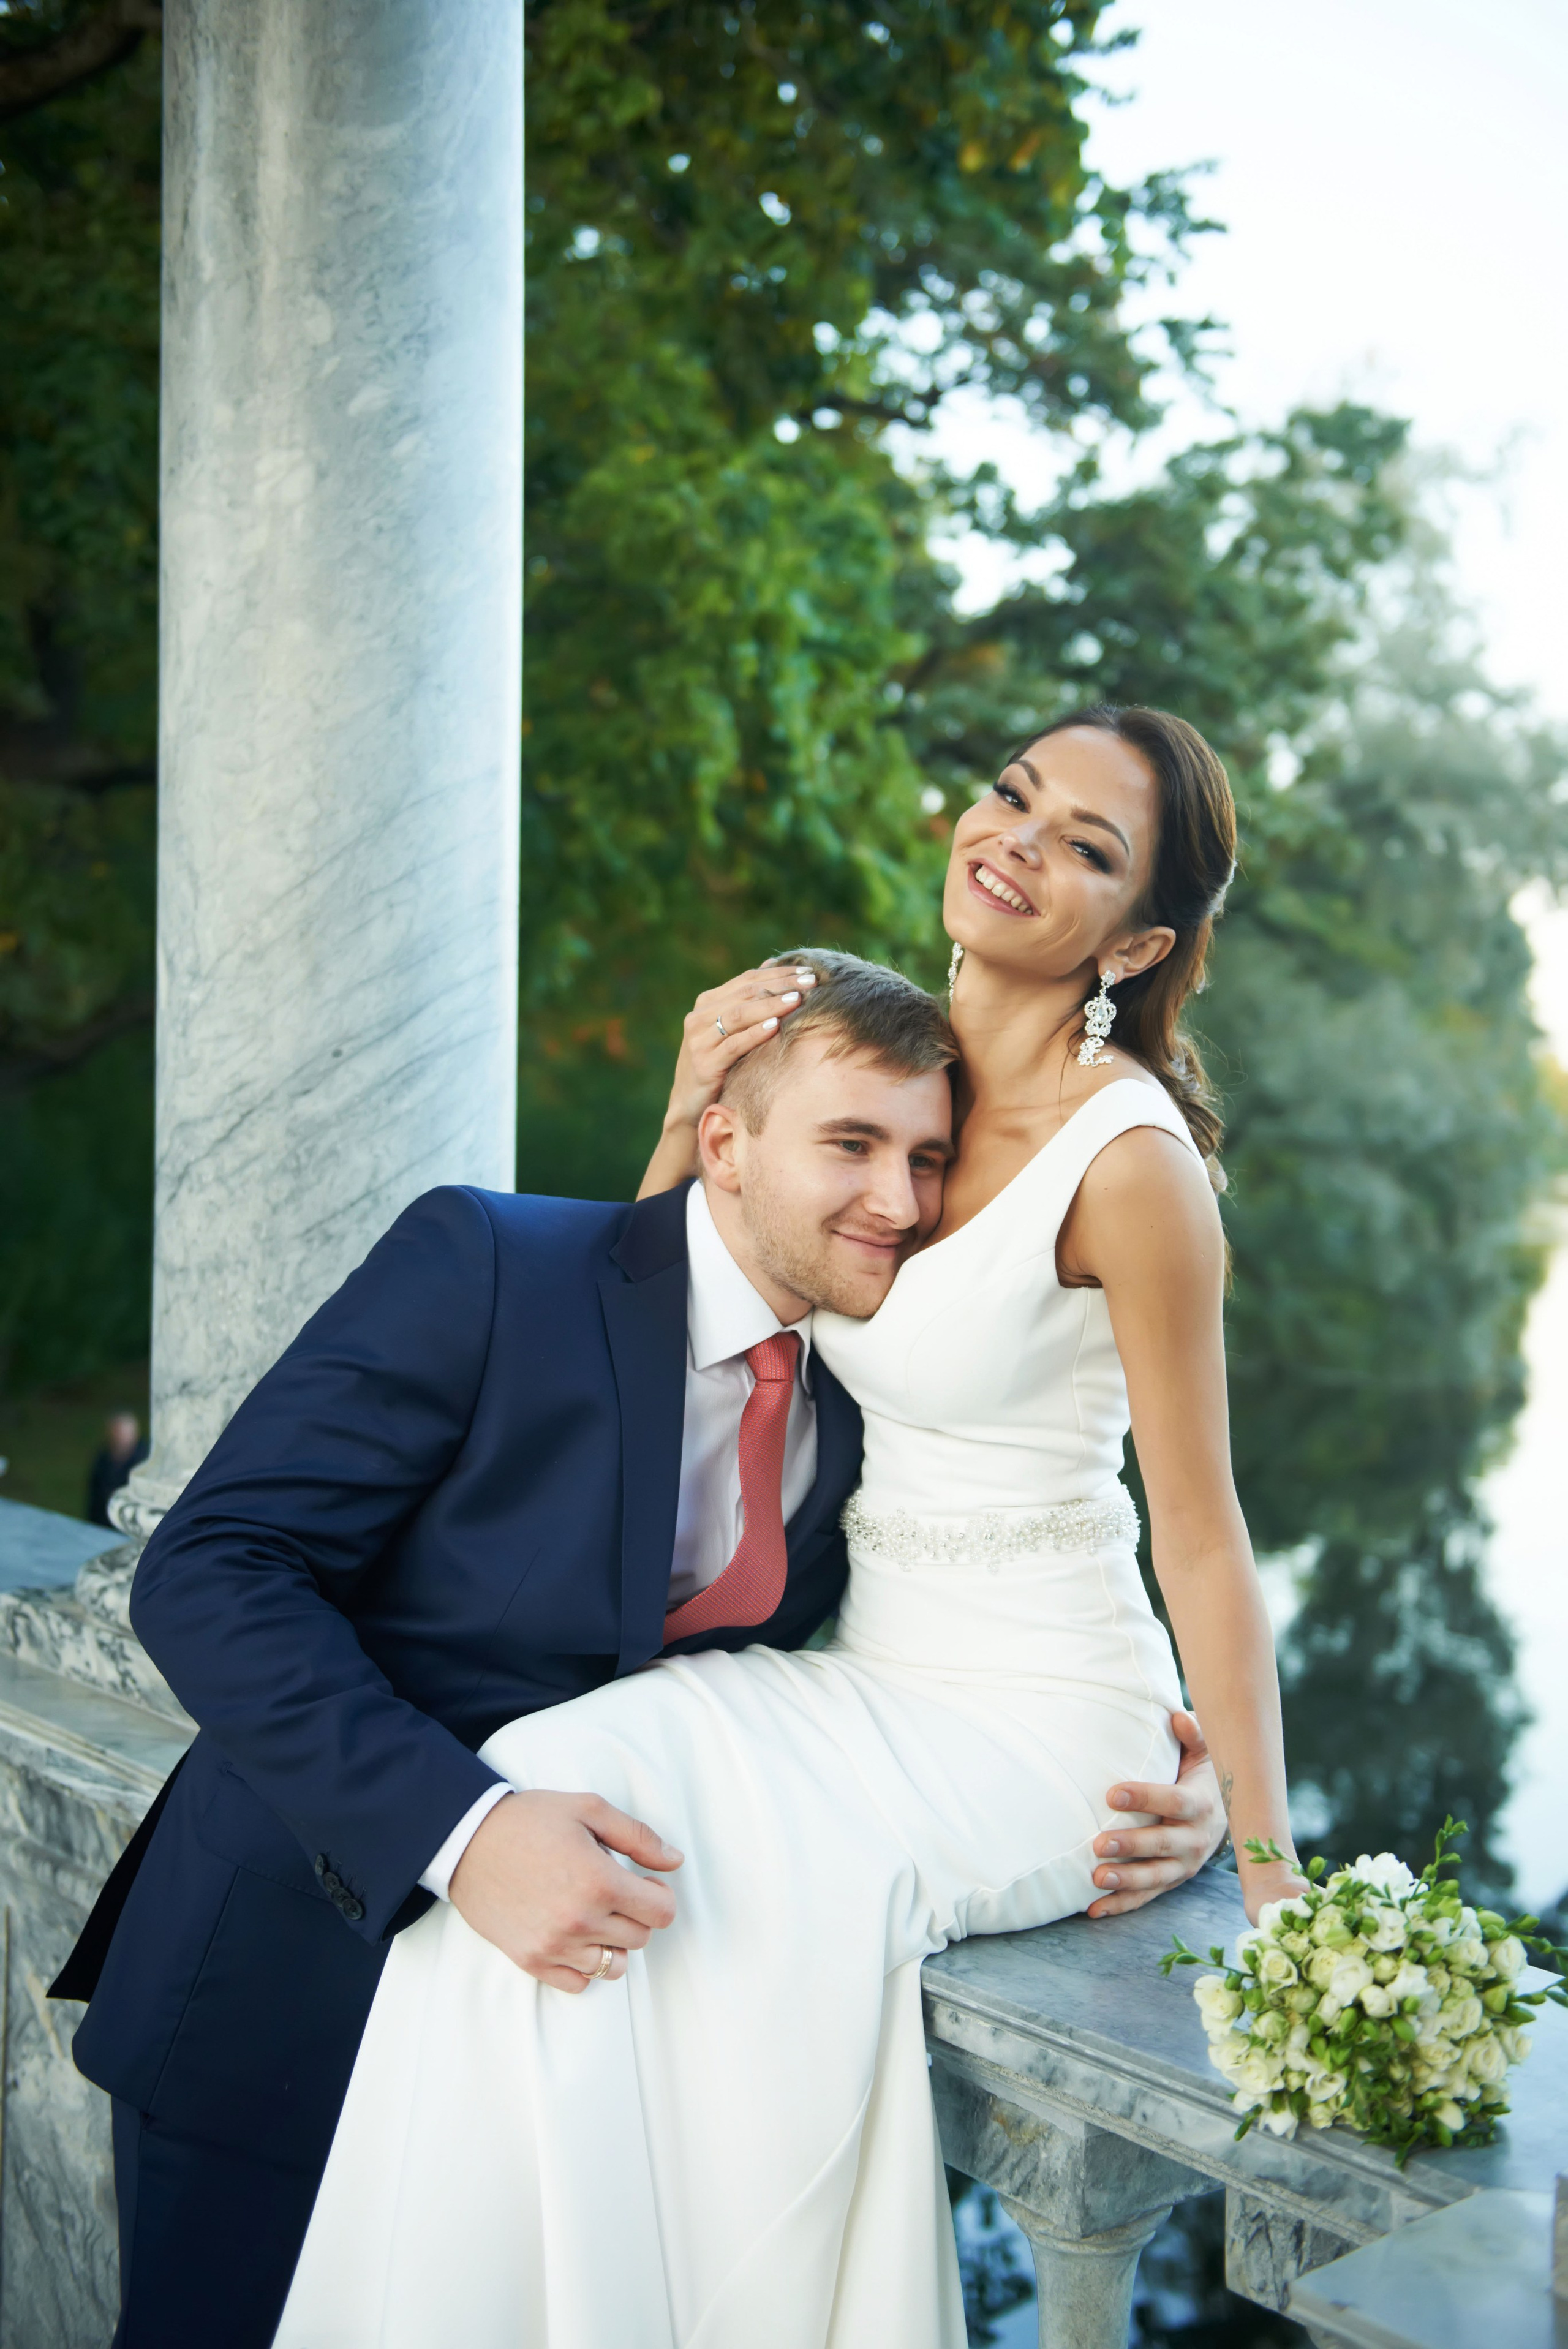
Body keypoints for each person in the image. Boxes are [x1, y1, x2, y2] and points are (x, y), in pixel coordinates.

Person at [266, 704, 1300, 2347]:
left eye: (1088, 847)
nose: (1021, 840)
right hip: (847, 1670)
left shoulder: (1133, 1165)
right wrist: (693, 1111)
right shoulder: (884, 1072)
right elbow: (652, 1318)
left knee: (659, 1904)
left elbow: (1204, 1538)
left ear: (1142, 935)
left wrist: (1260, 1863)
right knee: (525, 1810)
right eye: (1016, 795)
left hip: (1034, 1721)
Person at [55, 943, 1220, 2348]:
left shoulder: (853, 1414)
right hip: (290, 1986)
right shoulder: (488, 1264)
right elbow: (210, 1569)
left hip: (554, 2062)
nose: (898, 1199)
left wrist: (1163, 1768)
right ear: (722, 1141)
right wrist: (463, 1828)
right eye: (850, 1142)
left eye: (924, 1157)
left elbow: (895, 1670)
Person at [86, 1411, 149, 1529]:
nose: (121, 1437)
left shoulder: (145, 1462)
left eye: (125, 1433)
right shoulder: (103, 1458)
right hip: (103, 1524)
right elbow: (94, 1495)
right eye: (118, 1432)